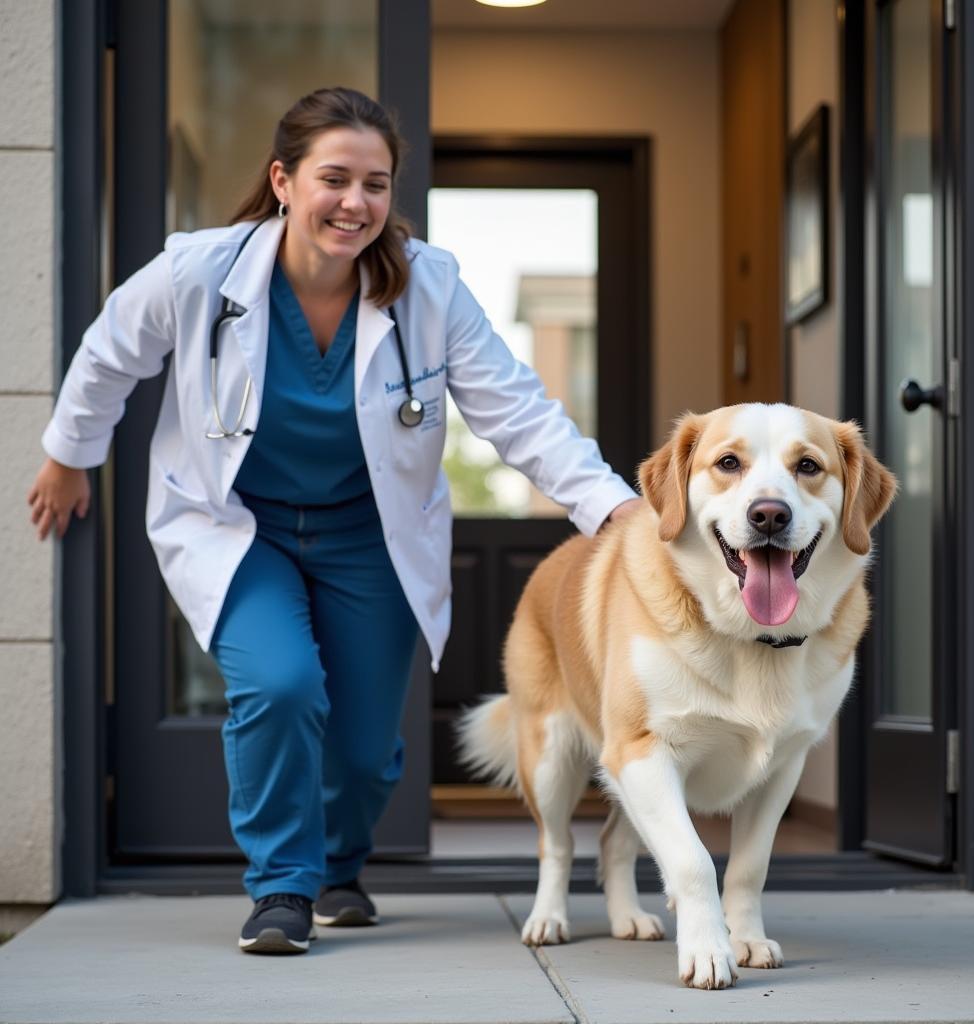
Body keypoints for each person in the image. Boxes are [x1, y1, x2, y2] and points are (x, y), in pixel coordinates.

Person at [27, 86, 642, 955]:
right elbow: (107, 355)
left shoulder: (428, 288)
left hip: (371, 535)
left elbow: (520, 413)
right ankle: (281, 886)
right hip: (240, 527)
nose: (355, 203)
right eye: (335, 178)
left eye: (377, 184)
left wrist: (611, 506)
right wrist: (68, 454)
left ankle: (340, 866)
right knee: (278, 687)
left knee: (360, 749)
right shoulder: (200, 271)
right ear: (283, 180)